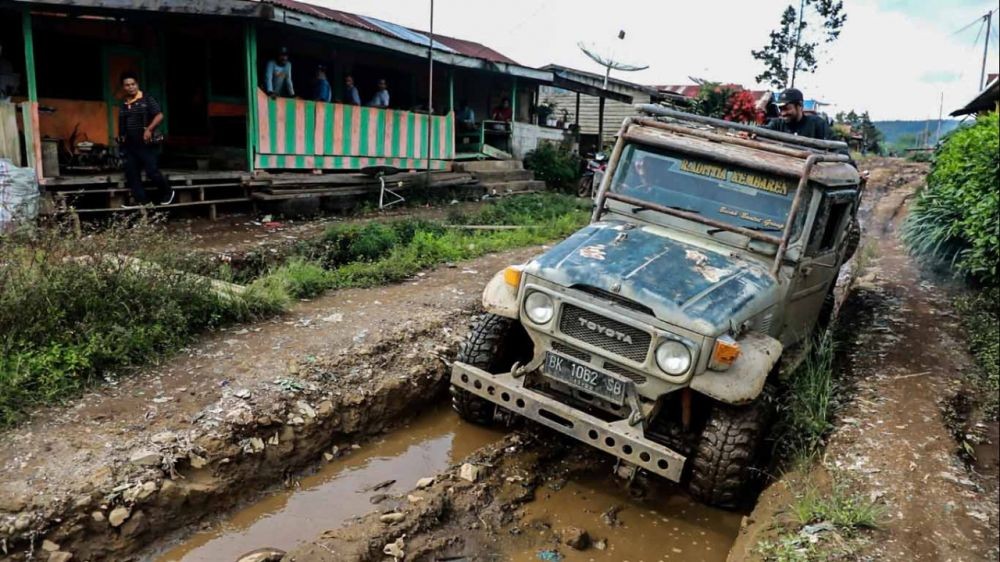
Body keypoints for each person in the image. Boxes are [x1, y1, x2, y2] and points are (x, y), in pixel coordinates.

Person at [117, 72, 173, 206]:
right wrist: (122, 139)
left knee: (151, 171)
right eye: (127, 85)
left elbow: (159, 115)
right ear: (123, 87)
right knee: (131, 173)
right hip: (131, 144)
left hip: (146, 143)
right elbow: (122, 125)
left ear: (137, 84)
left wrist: (149, 129)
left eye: (133, 84)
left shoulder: (147, 99)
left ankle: (168, 192)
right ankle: (142, 201)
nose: (130, 87)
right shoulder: (124, 104)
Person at [765, 88, 830, 140]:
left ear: (800, 106)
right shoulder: (777, 124)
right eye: (781, 109)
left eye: (787, 108)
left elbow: (836, 147)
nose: (783, 113)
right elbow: (761, 131)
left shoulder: (817, 124)